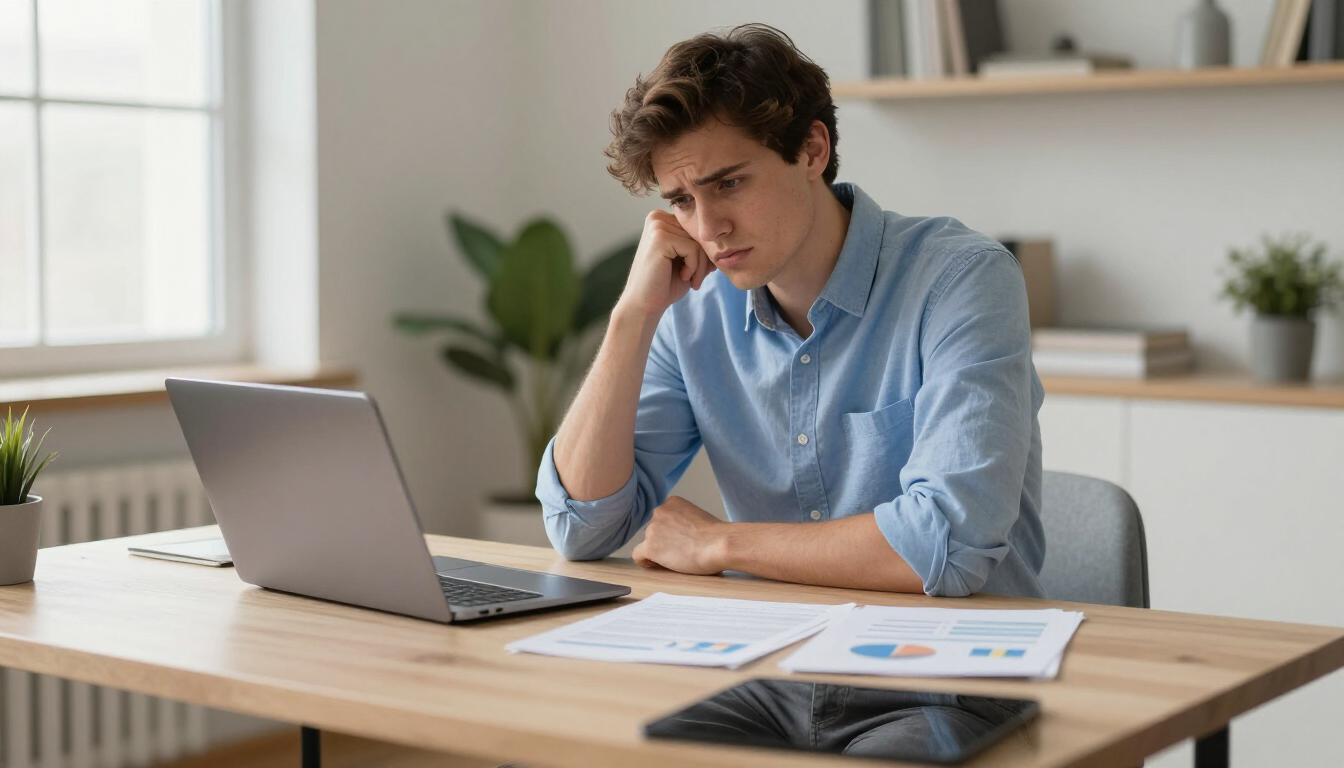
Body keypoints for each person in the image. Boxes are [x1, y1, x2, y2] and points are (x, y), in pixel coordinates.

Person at [535, 24, 1045, 598]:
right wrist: (632, 317)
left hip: (945, 669)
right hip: (773, 662)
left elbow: (949, 544)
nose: (707, 229)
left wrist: (723, 544)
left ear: (811, 150)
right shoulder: (691, 309)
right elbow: (580, 526)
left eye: (728, 183)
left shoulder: (962, 280)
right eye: (681, 201)